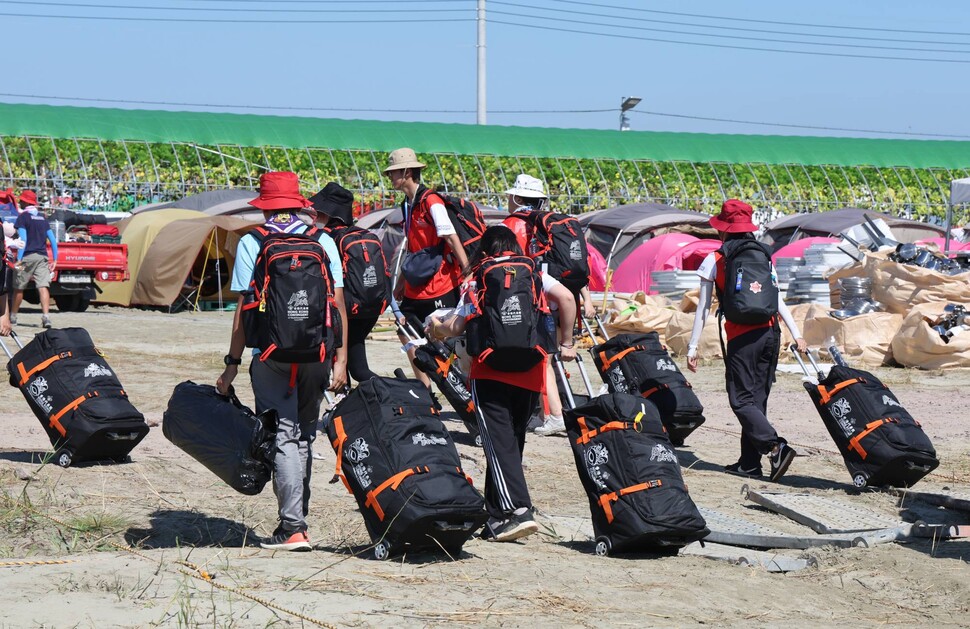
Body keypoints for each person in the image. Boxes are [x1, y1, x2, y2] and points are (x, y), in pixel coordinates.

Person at [216, 172, 348, 552]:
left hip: (271, 355)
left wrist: (232, 363)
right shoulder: (322, 239)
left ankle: (293, 527)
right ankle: (296, 518)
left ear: (266, 205)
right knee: (304, 434)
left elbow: (244, 309)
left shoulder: (253, 242)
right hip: (317, 354)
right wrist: (340, 359)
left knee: (283, 435)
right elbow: (337, 304)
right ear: (297, 203)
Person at [428, 225, 577, 542]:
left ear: (483, 250)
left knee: (499, 445)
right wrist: (567, 343)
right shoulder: (534, 271)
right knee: (512, 442)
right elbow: (566, 298)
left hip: (490, 371)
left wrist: (436, 329)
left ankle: (518, 511)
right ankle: (496, 516)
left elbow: (457, 325)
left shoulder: (479, 276)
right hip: (531, 369)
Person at [686, 199, 806, 482]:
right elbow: (777, 299)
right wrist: (797, 332)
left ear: (723, 229)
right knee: (756, 401)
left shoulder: (715, 259)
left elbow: (703, 309)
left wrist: (692, 347)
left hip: (742, 337)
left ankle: (775, 447)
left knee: (741, 400)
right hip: (770, 334)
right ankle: (749, 464)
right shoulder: (764, 255)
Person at [501, 174, 594, 436]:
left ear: (517, 198)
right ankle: (547, 413)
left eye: (510, 196)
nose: (507, 200)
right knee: (546, 358)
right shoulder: (548, 225)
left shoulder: (511, 225)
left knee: (542, 358)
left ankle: (553, 414)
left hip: (535, 295)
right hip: (556, 297)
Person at [384, 147, 471, 386]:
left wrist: (467, 271)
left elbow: (451, 237)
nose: (389, 177)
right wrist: (401, 281)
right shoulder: (407, 205)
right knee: (406, 332)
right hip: (416, 283)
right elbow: (412, 248)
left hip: (441, 282)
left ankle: (459, 387)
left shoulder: (431, 201)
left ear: (407, 172)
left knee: (443, 335)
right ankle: (426, 391)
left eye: (393, 173)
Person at [309, 182, 382, 383]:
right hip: (369, 309)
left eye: (319, 210)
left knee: (348, 366)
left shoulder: (326, 238)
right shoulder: (363, 234)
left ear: (327, 212)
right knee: (357, 368)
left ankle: (401, 394)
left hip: (344, 310)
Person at [11, 190, 57, 328]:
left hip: (26, 258)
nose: (19, 202)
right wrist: (55, 259)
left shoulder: (23, 218)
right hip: (42, 257)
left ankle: (13, 316)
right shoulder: (43, 219)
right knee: (43, 286)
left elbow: (23, 239)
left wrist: (18, 259)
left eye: (21, 200)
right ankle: (46, 317)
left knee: (19, 286)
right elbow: (53, 240)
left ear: (25, 202)